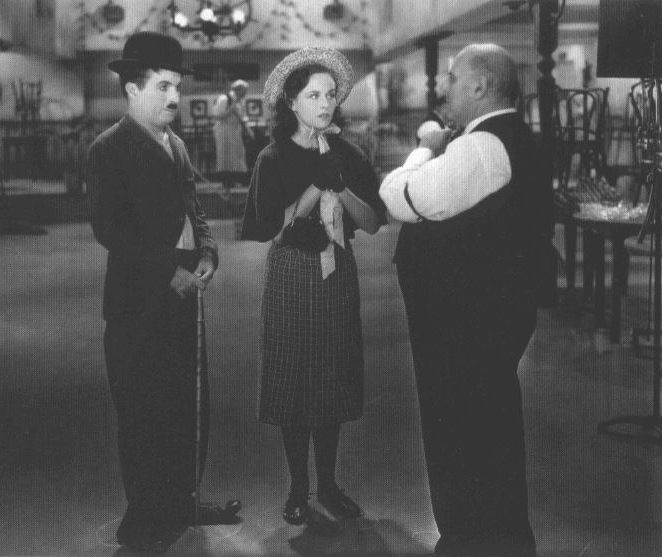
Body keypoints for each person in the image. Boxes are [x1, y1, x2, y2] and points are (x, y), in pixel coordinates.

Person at [380, 43, 550, 557]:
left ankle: (472, 537)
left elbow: (401, 197)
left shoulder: (482, 146)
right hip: (481, 316)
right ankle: (489, 535)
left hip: (466, 321)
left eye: (452, 79)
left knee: (461, 427)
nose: (443, 88)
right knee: (482, 424)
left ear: (480, 86)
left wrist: (423, 148)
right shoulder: (498, 139)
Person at [87, 32, 240, 553]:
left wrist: (208, 252)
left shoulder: (176, 144)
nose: (174, 96)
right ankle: (142, 521)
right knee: (142, 412)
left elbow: (195, 212)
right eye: (162, 86)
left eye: (177, 85)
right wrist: (166, 270)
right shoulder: (109, 148)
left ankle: (182, 502)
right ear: (132, 88)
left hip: (183, 296)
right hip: (137, 304)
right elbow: (110, 228)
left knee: (187, 406)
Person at [241, 47, 387, 526]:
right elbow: (269, 228)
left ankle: (328, 484)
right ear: (292, 101)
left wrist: (341, 187)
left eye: (329, 95)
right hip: (292, 270)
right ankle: (298, 487)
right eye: (313, 96)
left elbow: (373, 222)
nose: (324, 104)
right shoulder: (273, 158)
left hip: (337, 269)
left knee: (331, 377)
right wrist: (312, 190)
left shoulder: (348, 153)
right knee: (294, 378)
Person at [212, 78, 251, 189]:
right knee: (225, 156)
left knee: (237, 155)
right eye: (244, 91)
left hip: (235, 131)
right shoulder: (224, 99)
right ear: (238, 90)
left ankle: (238, 180)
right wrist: (230, 111)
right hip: (224, 131)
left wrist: (247, 128)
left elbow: (242, 116)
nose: (245, 94)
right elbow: (216, 116)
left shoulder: (239, 101)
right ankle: (227, 181)